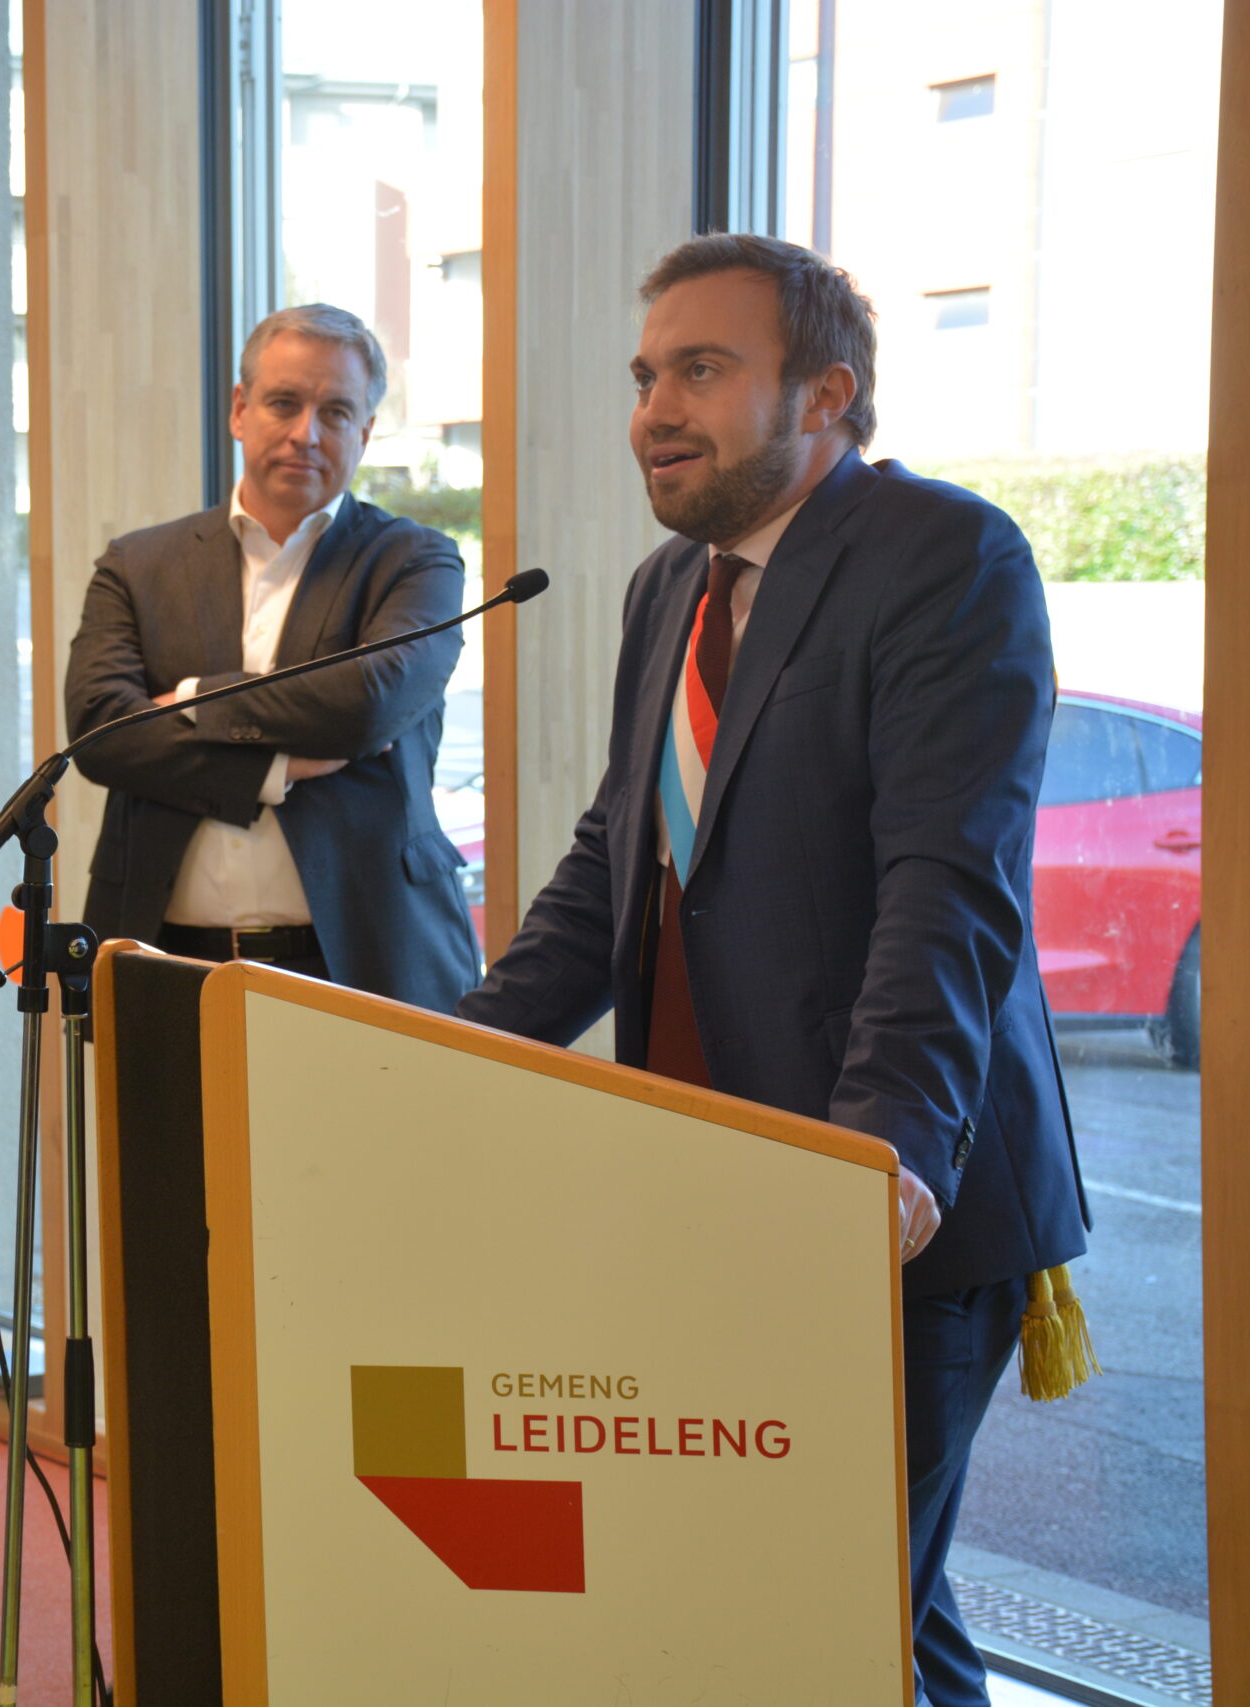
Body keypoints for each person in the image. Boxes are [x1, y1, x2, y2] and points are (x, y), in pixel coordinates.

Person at [455, 233, 1088, 1707]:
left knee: (812, 1610)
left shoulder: (945, 555)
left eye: (700, 370)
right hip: (713, 1182)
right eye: (643, 376)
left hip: (882, 1205)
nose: (653, 411)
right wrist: (452, 1053)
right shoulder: (668, 587)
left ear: (827, 393)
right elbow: (617, 863)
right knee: (873, 1615)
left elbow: (947, 882)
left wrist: (881, 1152)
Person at [63, 303, 480, 1006]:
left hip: (367, 964)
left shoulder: (416, 563)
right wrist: (273, 767)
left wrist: (191, 699)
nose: (305, 434)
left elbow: (368, 703)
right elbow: (102, 732)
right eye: (284, 403)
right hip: (164, 964)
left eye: (336, 412)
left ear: (365, 431)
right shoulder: (137, 565)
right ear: (239, 409)